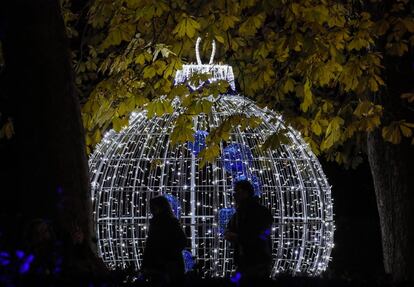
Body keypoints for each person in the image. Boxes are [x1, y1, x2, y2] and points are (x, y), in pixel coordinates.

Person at [224, 180, 273, 283]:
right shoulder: (239, 212)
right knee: (237, 280)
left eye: (237, 192)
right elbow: (229, 229)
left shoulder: (259, 211)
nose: (235, 195)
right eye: (235, 192)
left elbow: (261, 235)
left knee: (244, 281)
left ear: (246, 193)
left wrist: (238, 237)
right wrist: (229, 234)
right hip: (246, 261)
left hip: (257, 261)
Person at [142, 196, 187, 286]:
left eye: (153, 207)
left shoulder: (164, 222)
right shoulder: (168, 222)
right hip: (167, 263)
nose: (151, 210)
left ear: (160, 207)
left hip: (166, 264)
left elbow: (150, 245)